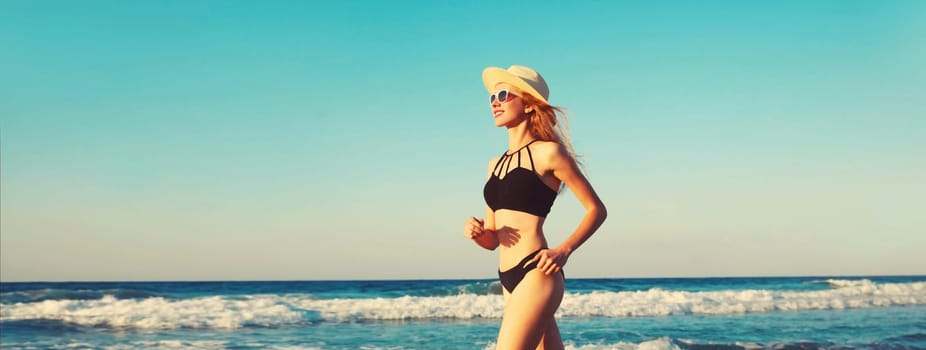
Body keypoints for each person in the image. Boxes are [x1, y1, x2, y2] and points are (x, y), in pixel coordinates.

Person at [463, 65, 607, 349]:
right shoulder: (494, 164)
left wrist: (564, 250)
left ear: (528, 104)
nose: (495, 102)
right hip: (508, 278)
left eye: (503, 95)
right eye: (492, 97)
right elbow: (492, 240)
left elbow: (596, 210)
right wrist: (478, 234)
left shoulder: (548, 153)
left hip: (537, 271)